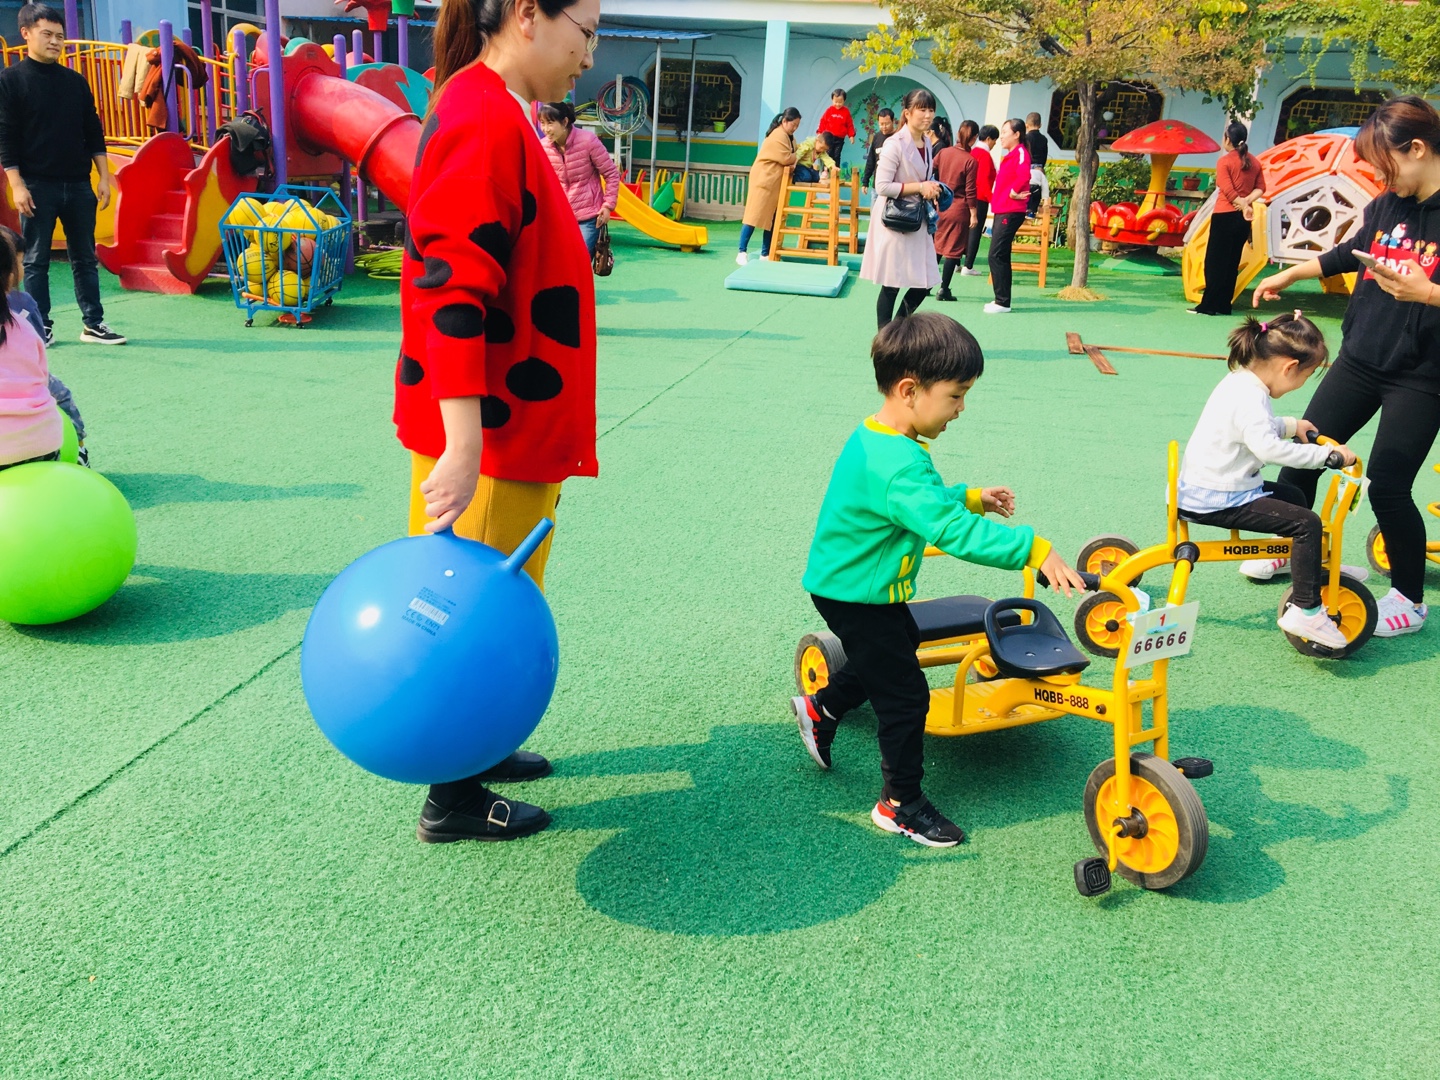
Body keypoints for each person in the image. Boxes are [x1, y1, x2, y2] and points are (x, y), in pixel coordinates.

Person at [395, 0, 602, 842]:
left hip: (511, 425)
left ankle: (477, 747)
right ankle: (452, 794)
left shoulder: (495, 108)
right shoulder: (480, 115)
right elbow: (451, 286)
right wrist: (464, 441)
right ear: (527, 15)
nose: (591, 53)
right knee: (464, 617)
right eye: (586, 30)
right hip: (491, 433)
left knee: (497, 603)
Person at [791, 313, 1086, 846]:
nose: (961, 408)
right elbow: (949, 530)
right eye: (956, 395)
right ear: (910, 390)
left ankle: (821, 707)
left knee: (894, 649)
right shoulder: (898, 462)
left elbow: (918, 504)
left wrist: (970, 497)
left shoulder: (884, 439)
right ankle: (900, 804)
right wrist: (1033, 549)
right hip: (855, 595)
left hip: (858, 587)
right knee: (906, 698)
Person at [1254, 95, 1440, 638]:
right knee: (1304, 453)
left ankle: (1409, 598)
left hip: (1423, 375)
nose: (1380, 177)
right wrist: (1291, 273)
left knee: (1388, 485)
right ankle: (1296, 552)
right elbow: (1351, 250)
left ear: (1418, 149)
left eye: (1385, 164)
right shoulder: (1388, 203)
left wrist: (1428, 294)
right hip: (1360, 359)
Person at [1177, 313, 1358, 651]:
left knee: (1293, 497)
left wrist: (1291, 425)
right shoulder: (1251, 398)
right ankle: (1306, 612)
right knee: (1306, 523)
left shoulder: (1240, 381)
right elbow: (1267, 448)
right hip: (1218, 498)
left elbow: (1252, 428)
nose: (1301, 384)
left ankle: (1303, 563)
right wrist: (1327, 456)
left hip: (1210, 486)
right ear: (1290, 367)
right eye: (1305, 376)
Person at [0, 4, 124, 346]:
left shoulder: (75, 82)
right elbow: (6, 136)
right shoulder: (10, 81)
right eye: (47, 34)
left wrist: (103, 177)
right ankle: (40, 326)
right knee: (36, 260)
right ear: (26, 34)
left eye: (60, 36)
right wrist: (17, 184)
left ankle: (93, 324)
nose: (55, 42)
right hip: (37, 184)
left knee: (85, 257)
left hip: (79, 184)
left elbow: (93, 131)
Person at [0, 224, 84, 461]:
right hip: (43, 446)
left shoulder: (23, 305)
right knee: (59, 393)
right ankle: (80, 447)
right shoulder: (21, 321)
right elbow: (39, 368)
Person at [861, 89, 942, 330]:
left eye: (931, 110)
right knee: (892, 283)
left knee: (925, 281)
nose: (927, 115)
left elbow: (923, 176)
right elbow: (882, 186)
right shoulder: (894, 144)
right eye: (922, 109)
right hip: (895, 220)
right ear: (907, 113)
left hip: (917, 219)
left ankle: (896, 331)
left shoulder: (927, 143)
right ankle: (885, 338)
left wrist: (932, 187)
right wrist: (920, 187)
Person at [1193, 121, 1265, 316]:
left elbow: (1227, 189)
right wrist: (1247, 203)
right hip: (1243, 220)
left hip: (1224, 216)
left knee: (1215, 262)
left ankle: (1208, 305)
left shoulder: (1224, 161)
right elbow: (1261, 188)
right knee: (1231, 262)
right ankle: (1224, 305)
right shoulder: (1254, 162)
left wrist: (1241, 203)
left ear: (1227, 139)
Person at [538, 99, 619, 259]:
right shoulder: (543, 147)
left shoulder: (588, 141)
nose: (545, 129)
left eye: (550, 123)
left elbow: (611, 173)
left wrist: (608, 205)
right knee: (557, 263)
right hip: (558, 216)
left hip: (588, 216)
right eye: (542, 123)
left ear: (564, 121)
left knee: (579, 261)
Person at [738, 109, 800, 265]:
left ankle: (765, 253)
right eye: (793, 124)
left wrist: (797, 156)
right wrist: (797, 157)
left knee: (772, 218)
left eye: (797, 125)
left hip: (774, 182)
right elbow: (786, 158)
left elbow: (794, 153)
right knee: (753, 215)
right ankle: (741, 252)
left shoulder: (789, 136)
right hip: (763, 179)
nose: (795, 128)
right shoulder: (778, 135)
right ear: (784, 121)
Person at [985, 118, 1031, 314]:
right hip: (1002, 209)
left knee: (996, 254)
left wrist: (1013, 192)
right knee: (1001, 255)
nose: (1001, 136)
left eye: (1005, 132)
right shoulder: (1010, 155)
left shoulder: (1020, 152)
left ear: (1017, 134)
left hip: (1011, 210)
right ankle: (1002, 299)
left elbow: (1024, 175)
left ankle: (1002, 302)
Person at [933, 121, 979, 302]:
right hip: (959, 208)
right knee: (952, 251)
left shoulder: (944, 152)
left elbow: (930, 170)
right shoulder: (970, 161)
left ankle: (925, 285)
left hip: (941, 206)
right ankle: (944, 289)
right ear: (974, 138)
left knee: (937, 246)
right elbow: (970, 190)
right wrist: (973, 213)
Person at [963, 124, 998, 276]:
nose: (995, 144)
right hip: (980, 198)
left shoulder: (972, 152)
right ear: (988, 139)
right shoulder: (984, 156)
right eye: (994, 140)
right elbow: (983, 181)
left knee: (965, 231)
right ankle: (968, 265)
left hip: (968, 196)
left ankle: (957, 262)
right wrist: (992, 200)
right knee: (975, 232)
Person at [816, 88, 855, 172]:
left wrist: (851, 135)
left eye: (840, 102)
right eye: (835, 101)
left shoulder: (846, 112)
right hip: (829, 138)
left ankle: (836, 171)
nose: (837, 104)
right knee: (828, 154)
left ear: (844, 101)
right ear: (832, 100)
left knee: (837, 155)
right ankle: (825, 171)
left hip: (839, 139)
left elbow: (849, 124)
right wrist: (819, 132)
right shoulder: (829, 110)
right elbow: (823, 121)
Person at [861, 109, 896, 191]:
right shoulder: (877, 137)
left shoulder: (898, 136)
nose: (884, 127)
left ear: (893, 121)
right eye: (881, 124)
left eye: (887, 124)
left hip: (893, 186)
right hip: (877, 186)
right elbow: (871, 160)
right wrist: (865, 181)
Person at [1023, 112, 1049, 219]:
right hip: (1039, 170)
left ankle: (1024, 211)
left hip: (1027, 170)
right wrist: (1041, 167)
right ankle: (1032, 212)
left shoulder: (1025, 138)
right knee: (1036, 193)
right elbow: (1044, 155)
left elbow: (1024, 155)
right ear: (1040, 125)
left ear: (1026, 125)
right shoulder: (1044, 139)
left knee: (1025, 193)